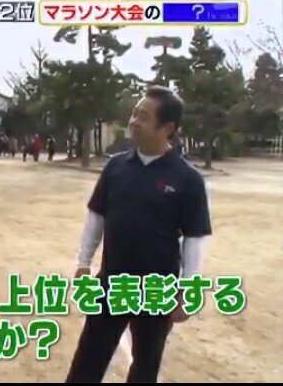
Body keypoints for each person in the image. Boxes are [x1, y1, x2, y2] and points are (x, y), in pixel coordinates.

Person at [65, 86, 212, 383]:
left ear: (167, 127)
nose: (134, 121)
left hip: (158, 289)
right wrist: (83, 262)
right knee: (87, 362)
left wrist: (187, 289)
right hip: (111, 283)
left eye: (144, 117)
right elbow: (96, 216)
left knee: (145, 367)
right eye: (134, 114)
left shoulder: (188, 179)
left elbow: (195, 238)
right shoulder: (116, 166)